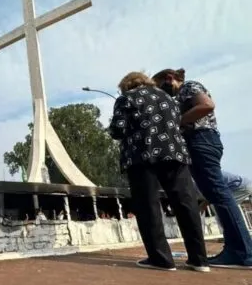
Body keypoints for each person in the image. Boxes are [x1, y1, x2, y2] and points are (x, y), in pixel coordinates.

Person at [108, 71, 209, 272]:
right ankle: (199, 260)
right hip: (175, 154)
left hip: (142, 155)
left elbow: (118, 129)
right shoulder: (169, 99)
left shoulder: (126, 98)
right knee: (186, 204)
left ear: (126, 86)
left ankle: (161, 259)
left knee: (148, 206)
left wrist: (113, 129)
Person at [153, 68, 252, 269]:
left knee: (219, 194)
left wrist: (176, 123)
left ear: (170, 79)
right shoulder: (180, 96)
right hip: (200, 142)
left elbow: (206, 105)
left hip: (202, 140)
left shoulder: (190, 86)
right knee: (216, 195)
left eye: (160, 87)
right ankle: (237, 249)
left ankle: (243, 252)